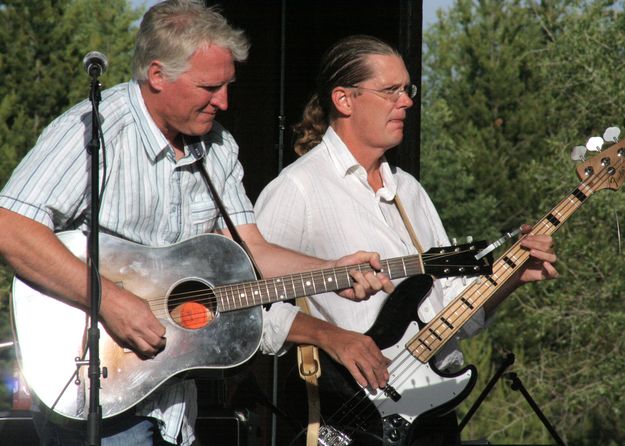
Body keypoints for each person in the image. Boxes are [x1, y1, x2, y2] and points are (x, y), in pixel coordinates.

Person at [0, 4, 393, 445]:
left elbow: (252, 251)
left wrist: (330, 271)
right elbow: (10, 226)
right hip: (94, 387)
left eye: (228, 86)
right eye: (209, 87)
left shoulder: (218, 148)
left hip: (173, 403)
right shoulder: (93, 130)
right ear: (157, 75)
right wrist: (110, 299)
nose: (223, 101)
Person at [256, 35, 558, 445]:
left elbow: (453, 314)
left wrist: (511, 276)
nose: (407, 101)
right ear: (344, 100)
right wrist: (334, 338)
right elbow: (247, 313)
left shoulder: (409, 192)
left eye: (407, 89)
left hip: (432, 414)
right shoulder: (299, 188)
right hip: (352, 419)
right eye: (390, 91)